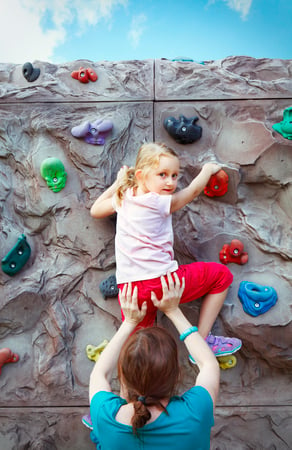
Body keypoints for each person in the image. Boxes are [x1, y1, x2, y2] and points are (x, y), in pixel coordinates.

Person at [90, 142, 241, 356]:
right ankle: (203, 341)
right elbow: (192, 191)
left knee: (140, 350)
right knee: (221, 276)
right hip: (162, 282)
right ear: (142, 176)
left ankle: (133, 387)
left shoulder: (124, 197)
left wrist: (118, 183)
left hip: (131, 292)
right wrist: (207, 170)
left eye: (174, 175)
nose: (170, 182)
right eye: (162, 174)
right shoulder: (158, 201)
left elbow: (95, 210)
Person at [88, 273, 220, 449]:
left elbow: (99, 373)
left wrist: (129, 323)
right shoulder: (194, 413)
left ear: (123, 377)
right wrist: (173, 311)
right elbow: (208, 364)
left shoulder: (105, 417)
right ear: (176, 375)